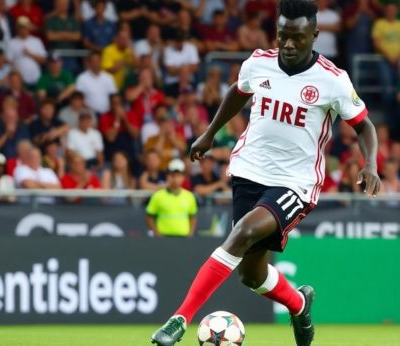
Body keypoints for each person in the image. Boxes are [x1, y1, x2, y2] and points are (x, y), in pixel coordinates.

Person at [150, 1, 381, 345]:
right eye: (283, 35)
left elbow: (364, 127)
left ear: (314, 35)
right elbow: (237, 94)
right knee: (250, 274)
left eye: (297, 38)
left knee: (242, 233)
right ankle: (299, 304)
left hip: (295, 183)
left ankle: (179, 319)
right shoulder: (258, 62)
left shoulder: (333, 81)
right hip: (249, 170)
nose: (288, 44)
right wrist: (210, 132)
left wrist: (370, 164)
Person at [145, 158, 197, 237]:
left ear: (183, 177)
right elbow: (149, 217)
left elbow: (192, 217)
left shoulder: (189, 196)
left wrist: (190, 234)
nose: (175, 179)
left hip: (183, 238)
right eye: (172, 175)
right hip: (164, 238)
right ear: (168, 176)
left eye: (178, 176)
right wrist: (157, 234)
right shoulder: (158, 196)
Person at [6, 16, 47, 86]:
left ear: (29, 28)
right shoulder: (11, 43)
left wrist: (30, 54)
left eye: (25, 27)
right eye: (21, 27)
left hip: (36, 78)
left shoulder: (36, 41)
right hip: (20, 81)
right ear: (17, 28)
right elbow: (8, 62)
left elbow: (44, 60)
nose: (23, 30)